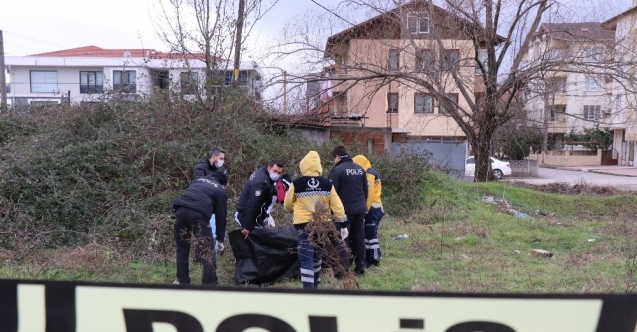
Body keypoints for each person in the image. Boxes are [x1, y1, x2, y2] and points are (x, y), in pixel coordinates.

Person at [283, 151, 348, 289]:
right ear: (319, 166)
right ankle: (316, 284)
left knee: (306, 258)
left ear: (304, 165)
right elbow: (337, 206)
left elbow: (287, 205)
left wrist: (293, 210)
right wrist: (343, 224)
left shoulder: (297, 184)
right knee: (318, 255)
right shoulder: (327, 184)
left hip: (303, 226)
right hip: (323, 225)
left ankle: (308, 289)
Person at [171, 171, 228, 285]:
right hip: (197, 215)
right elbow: (221, 217)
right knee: (207, 250)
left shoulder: (197, 181)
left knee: (182, 248)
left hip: (180, 211)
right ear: (222, 184)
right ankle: (209, 283)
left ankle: (182, 281)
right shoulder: (220, 190)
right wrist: (220, 240)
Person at [328, 145, 368, 276]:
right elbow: (365, 191)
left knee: (342, 239)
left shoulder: (337, 171)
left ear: (337, 157)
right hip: (360, 210)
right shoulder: (360, 169)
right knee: (359, 238)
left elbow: (331, 193)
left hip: (344, 212)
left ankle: (342, 271)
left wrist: (331, 211)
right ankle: (360, 268)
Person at [235, 160, 285, 238]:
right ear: (269, 167)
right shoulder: (261, 183)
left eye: (279, 173)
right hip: (246, 214)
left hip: (257, 211)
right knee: (256, 238)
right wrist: (247, 227)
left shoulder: (264, 171)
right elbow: (253, 204)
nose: (276, 174)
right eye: (275, 171)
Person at [353, 154, 384, 267]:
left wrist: (365, 209)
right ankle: (374, 256)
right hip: (375, 206)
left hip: (373, 207)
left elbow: (369, 194)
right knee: (368, 233)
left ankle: (374, 258)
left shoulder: (369, 173)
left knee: (370, 234)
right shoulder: (369, 171)